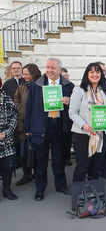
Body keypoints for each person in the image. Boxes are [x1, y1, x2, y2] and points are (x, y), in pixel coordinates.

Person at [25, 57, 74, 201]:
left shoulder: (68, 86)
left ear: (60, 69)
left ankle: (61, 186)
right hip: (41, 127)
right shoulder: (36, 85)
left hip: (60, 125)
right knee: (40, 160)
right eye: (47, 67)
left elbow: (77, 106)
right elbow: (29, 108)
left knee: (59, 159)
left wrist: (69, 101)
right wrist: (28, 127)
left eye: (52, 68)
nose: (49, 70)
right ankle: (40, 189)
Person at [69, 63, 106, 183]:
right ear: (87, 74)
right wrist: (84, 125)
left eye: (97, 72)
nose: (95, 74)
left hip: (101, 133)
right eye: (92, 72)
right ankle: (78, 195)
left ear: (101, 74)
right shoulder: (79, 90)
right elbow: (72, 112)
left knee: (96, 166)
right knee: (82, 166)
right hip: (83, 134)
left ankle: (94, 195)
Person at [14, 63, 41, 186]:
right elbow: (17, 99)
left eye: (26, 74)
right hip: (23, 122)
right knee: (24, 151)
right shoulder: (22, 86)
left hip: (36, 123)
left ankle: (38, 174)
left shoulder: (40, 85)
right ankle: (27, 174)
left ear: (33, 74)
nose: (23, 76)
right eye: (23, 74)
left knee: (37, 152)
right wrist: (20, 108)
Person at [0, 84, 18, 200]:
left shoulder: (6, 98)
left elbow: (14, 116)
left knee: (7, 166)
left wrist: (7, 132)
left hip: (6, 139)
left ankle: (6, 189)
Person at [60, 67, 72, 167]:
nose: (67, 77)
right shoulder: (52, 87)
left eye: (67, 75)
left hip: (68, 117)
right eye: (64, 76)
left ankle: (66, 158)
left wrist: (69, 101)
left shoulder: (71, 86)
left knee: (67, 139)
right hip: (56, 117)